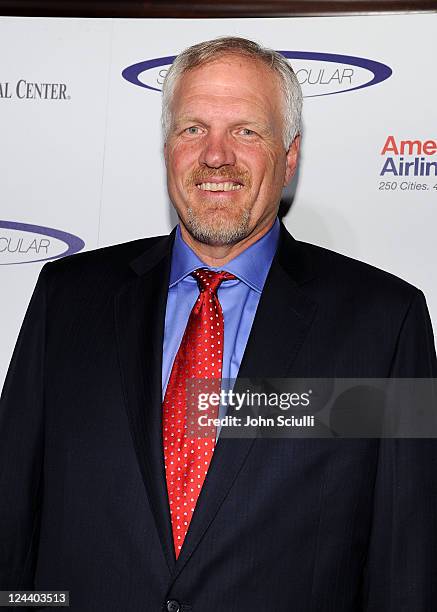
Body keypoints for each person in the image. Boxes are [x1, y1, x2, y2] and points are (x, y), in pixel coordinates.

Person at [1, 36, 436, 612]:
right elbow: (11, 523)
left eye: (246, 131)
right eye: (192, 129)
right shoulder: (67, 299)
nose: (215, 155)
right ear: (167, 148)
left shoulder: (386, 323)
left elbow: (406, 564)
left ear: (290, 155)